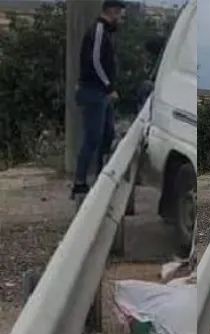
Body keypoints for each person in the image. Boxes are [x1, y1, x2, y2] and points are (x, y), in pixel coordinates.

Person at [72, 0, 126, 198]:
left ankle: (100, 176)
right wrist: (109, 86)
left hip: (100, 93)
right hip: (94, 92)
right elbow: (94, 61)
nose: (121, 17)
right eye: (120, 13)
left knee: (107, 134)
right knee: (92, 138)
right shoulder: (99, 30)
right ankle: (79, 182)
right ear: (111, 11)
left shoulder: (105, 32)